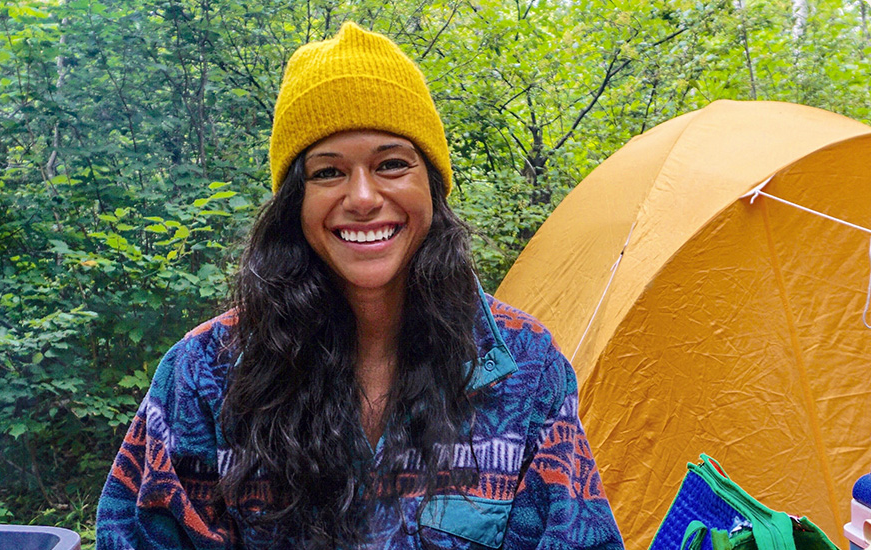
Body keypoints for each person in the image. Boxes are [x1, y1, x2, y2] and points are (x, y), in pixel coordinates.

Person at [96, 22, 624, 550]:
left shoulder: (526, 369)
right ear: (294, 204)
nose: (364, 197)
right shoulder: (205, 375)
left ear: (432, 187)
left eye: (392, 164)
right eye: (328, 172)